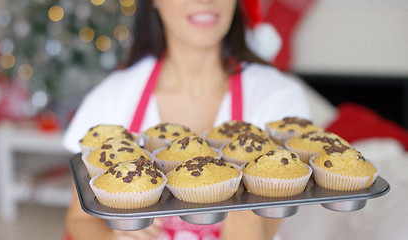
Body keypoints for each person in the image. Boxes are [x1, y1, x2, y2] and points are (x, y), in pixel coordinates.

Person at [62, 0, 310, 239]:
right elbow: (80, 221)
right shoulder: (113, 96)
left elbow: (265, 232)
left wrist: (241, 188)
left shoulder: (278, 99)